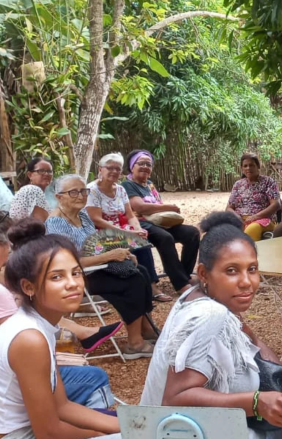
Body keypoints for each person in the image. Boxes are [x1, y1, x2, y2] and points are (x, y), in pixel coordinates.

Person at [140, 212, 282, 439]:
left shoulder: (192, 300)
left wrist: (280, 381)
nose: (247, 282)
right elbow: (176, 397)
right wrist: (258, 402)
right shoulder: (210, 315)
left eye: (252, 269)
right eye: (231, 271)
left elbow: (257, 349)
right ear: (204, 274)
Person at [0, 221, 134, 439]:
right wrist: (101, 437)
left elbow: (62, 406)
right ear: (28, 287)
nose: (72, 284)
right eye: (56, 277)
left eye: (76, 273)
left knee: (151, 435)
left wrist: (127, 426)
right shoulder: (29, 338)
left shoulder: (38, 326)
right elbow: (50, 433)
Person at [0, 208, 119, 408]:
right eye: (10, 247)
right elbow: (20, 348)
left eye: (75, 273)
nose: (10, 254)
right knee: (94, 377)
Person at [47, 174, 157, 359]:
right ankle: (134, 343)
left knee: (142, 271)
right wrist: (110, 256)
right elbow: (67, 263)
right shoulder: (56, 223)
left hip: (97, 268)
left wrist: (120, 251)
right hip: (78, 276)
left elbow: (96, 246)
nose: (81, 196)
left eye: (84, 191)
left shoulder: (83, 215)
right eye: (73, 192)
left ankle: (145, 327)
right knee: (133, 280)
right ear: (59, 197)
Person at [87, 153, 167, 301]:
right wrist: (126, 233)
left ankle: (149, 285)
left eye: (118, 169)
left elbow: (130, 215)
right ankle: (145, 287)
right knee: (137, 244)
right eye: (110, 168)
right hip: (99, 233)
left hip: (120, 229)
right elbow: (96, 220)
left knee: (141, 240)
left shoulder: (120, 189)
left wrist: (137, 229)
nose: (114, 171)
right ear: (100, 169)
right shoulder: (92, 190)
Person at [122, 149, 201, 293]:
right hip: (141, 224)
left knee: (192, 233)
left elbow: (153, 207)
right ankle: (181, 284)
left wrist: (156, 209)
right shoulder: (128, 185)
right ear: (132, 167)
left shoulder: (149, 184)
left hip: (159, 222)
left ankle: (184, 275)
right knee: (165, 237)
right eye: (141, 163)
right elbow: (140, 207)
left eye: (149, 164)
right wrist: (168, 207)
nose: (145, 167)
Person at [226, 153, 281, 241]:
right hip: (241, 220)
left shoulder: (268, 182)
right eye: (245, 166)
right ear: (242, 168)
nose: (248, 168)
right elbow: (229, 208)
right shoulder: (238, 184)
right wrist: (237, 218)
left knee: (252, 229)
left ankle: (249, 250)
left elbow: (276, 204)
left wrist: (255, 217)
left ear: (258, 166)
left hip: (263, 219)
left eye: (251, 165)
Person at [9, 156, 54, 221]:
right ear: (30, 175)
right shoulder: (32, 190)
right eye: (41, 171)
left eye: (49, 171)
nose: (46, 174)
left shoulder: (48, 194)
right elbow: (44, 223)